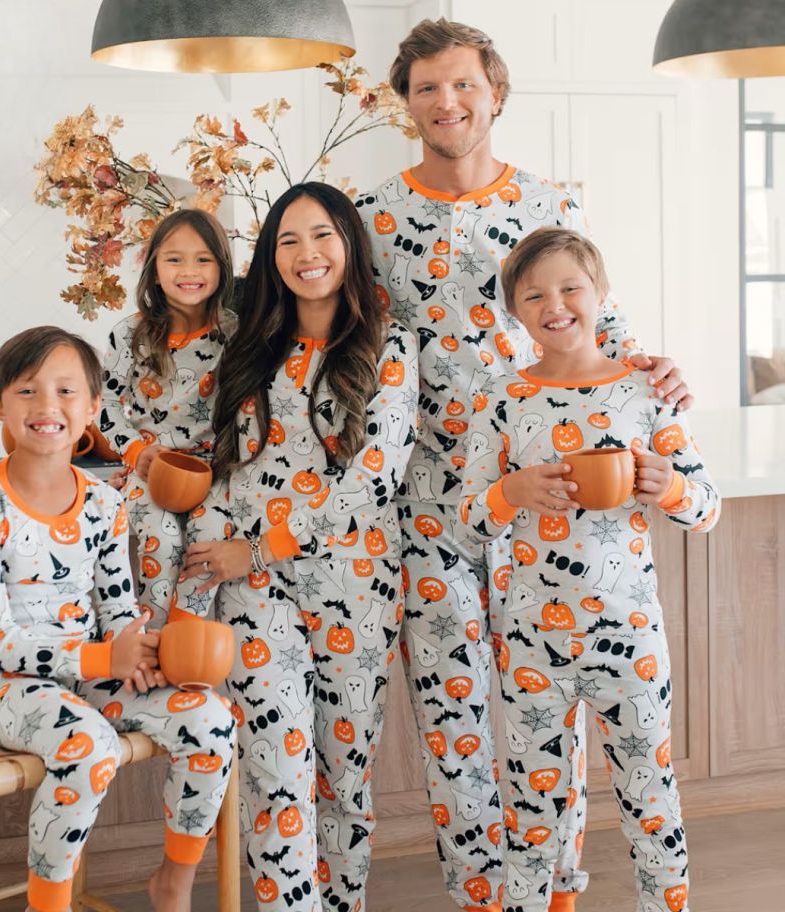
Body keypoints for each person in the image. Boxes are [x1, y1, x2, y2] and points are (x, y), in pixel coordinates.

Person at [356, 18, 693, 911]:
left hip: (554, 508)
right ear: (408, 104)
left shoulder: (551, 202)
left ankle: (557, 893)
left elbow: (598, 326)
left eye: (462, 83)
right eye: (427, 87)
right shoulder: (373, 218)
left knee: (548, 726)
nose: (446, 101)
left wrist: (654, 371)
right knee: (456, 724)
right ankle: (484, 900)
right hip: (436, 506)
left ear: (494, 93)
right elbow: (353, 348)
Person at [458, 226, 717, 912]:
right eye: (535, 293)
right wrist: (509, 494)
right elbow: (465, 517)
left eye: (571, 287)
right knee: (534, 813)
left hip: (630, 644)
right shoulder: (502, 397)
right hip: (530, 645)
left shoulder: (646, 390)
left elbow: (706, 509)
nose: (556, 304)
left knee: (650, 800)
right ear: (516, 310)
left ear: (601, 294)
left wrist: (667, 487)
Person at [178, 183, 419, 912]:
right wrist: (202, 583)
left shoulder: (390, 343)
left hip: (357, 586)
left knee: (343, 779)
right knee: (274, 773)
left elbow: (374, 478)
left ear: (349, 244)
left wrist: (262, 548)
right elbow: (223, 465)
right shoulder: (249, 347)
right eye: (287, 241)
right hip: (255, 592)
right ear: (269, 255)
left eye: (321, 237)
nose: (306, 255)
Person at [0, 326, 235, 912]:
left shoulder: (105, 504)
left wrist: (140, 651)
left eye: (65, 391)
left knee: (212, 717)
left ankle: (173, 883)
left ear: (93, 410)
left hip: (87, 677)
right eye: (27, 392)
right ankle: (46, 906)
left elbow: (119, 607)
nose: (47, 407)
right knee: (89, 743)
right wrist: (106, 657)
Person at [99, 209, 234, 629]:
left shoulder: (238, 333)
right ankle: (152, 635)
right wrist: (136, 451)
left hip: (217, 472)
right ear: (154, 270)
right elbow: (104, 404)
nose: (188, 271)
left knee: (208, 535)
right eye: (174, 259)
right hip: (151, 471)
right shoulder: (129, 335)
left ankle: (185, 633)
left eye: (203, 259)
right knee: (161, 538)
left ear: (222, 268)